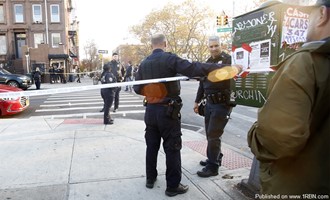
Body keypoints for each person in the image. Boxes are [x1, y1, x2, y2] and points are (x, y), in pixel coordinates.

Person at [133, 33, 242, 197]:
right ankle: (173, 186)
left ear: (151, 46)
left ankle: (150, 178)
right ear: (165, 43)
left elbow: (136, 88)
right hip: (167, 111)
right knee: (172, 148)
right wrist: (228, 69)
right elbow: (195, 69)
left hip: (150, 111)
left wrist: (153, 93)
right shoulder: (169, 59)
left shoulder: (144, 63)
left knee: (152, 146)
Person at [247, 0, 330, 195]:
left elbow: (279, 139)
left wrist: (253, 135)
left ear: (322, 15)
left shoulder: (306, 62)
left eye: (308, 16)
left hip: (298, 187)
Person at [193, 36, 234, 178]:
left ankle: (213, 167)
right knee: (210, 134)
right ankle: (214, 157)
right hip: (209, 103)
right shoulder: (208, 62)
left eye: (216, 45)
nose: (214, 48)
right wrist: (197, 101)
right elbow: (202, 83)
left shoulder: (229, 60)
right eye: (211, 46)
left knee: (214, 135)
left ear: (221, 45)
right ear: (208, 47)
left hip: (222, 103)